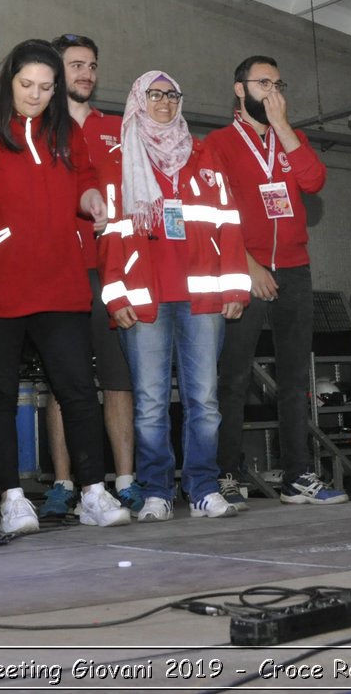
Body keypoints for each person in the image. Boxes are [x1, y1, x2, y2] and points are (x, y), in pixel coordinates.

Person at [0, 39, 130, 534]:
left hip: (60, 280)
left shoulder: (63, 128)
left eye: (47, 88)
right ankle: (11, 498)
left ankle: (92, 491)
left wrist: (90, 197)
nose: (36, 95)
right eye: (27, 85)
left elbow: (85, 176)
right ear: (9, 81)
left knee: (75, 388)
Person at [96, 71, 248, 521]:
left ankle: (202, 487)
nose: (164, 102)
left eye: (172, 95)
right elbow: (110, 235)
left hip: (203, 298)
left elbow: (229, 223)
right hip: (146, 299)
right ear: (139, 100)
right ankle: (157, 490)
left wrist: (236, 285)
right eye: (155, 95)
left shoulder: (205, 155)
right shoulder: (119, 159)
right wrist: (115, 295)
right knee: (149, 402)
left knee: (204, 400)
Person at [206, 56, 346, 508]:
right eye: (261, 83)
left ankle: (298, 475)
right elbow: (216, 215)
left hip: (295, 270)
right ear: (239, 89)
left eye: (277, 83)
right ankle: (225, 472)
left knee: (293, 380)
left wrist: (284, 127)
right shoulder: (218, 144)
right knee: (233, 377)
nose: (271, 90)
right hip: (243, 271)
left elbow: (315, 180)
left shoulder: (293, 138)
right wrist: (248, 264)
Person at [39, 33, 139, 516]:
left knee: (119, 380)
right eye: (76, 64)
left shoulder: (121, 128)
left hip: (113, 271)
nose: (86, 74)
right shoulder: (40, 128)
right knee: (65, 383)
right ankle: (64, 484)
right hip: (59, 272)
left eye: (92, 66)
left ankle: (126, 479)